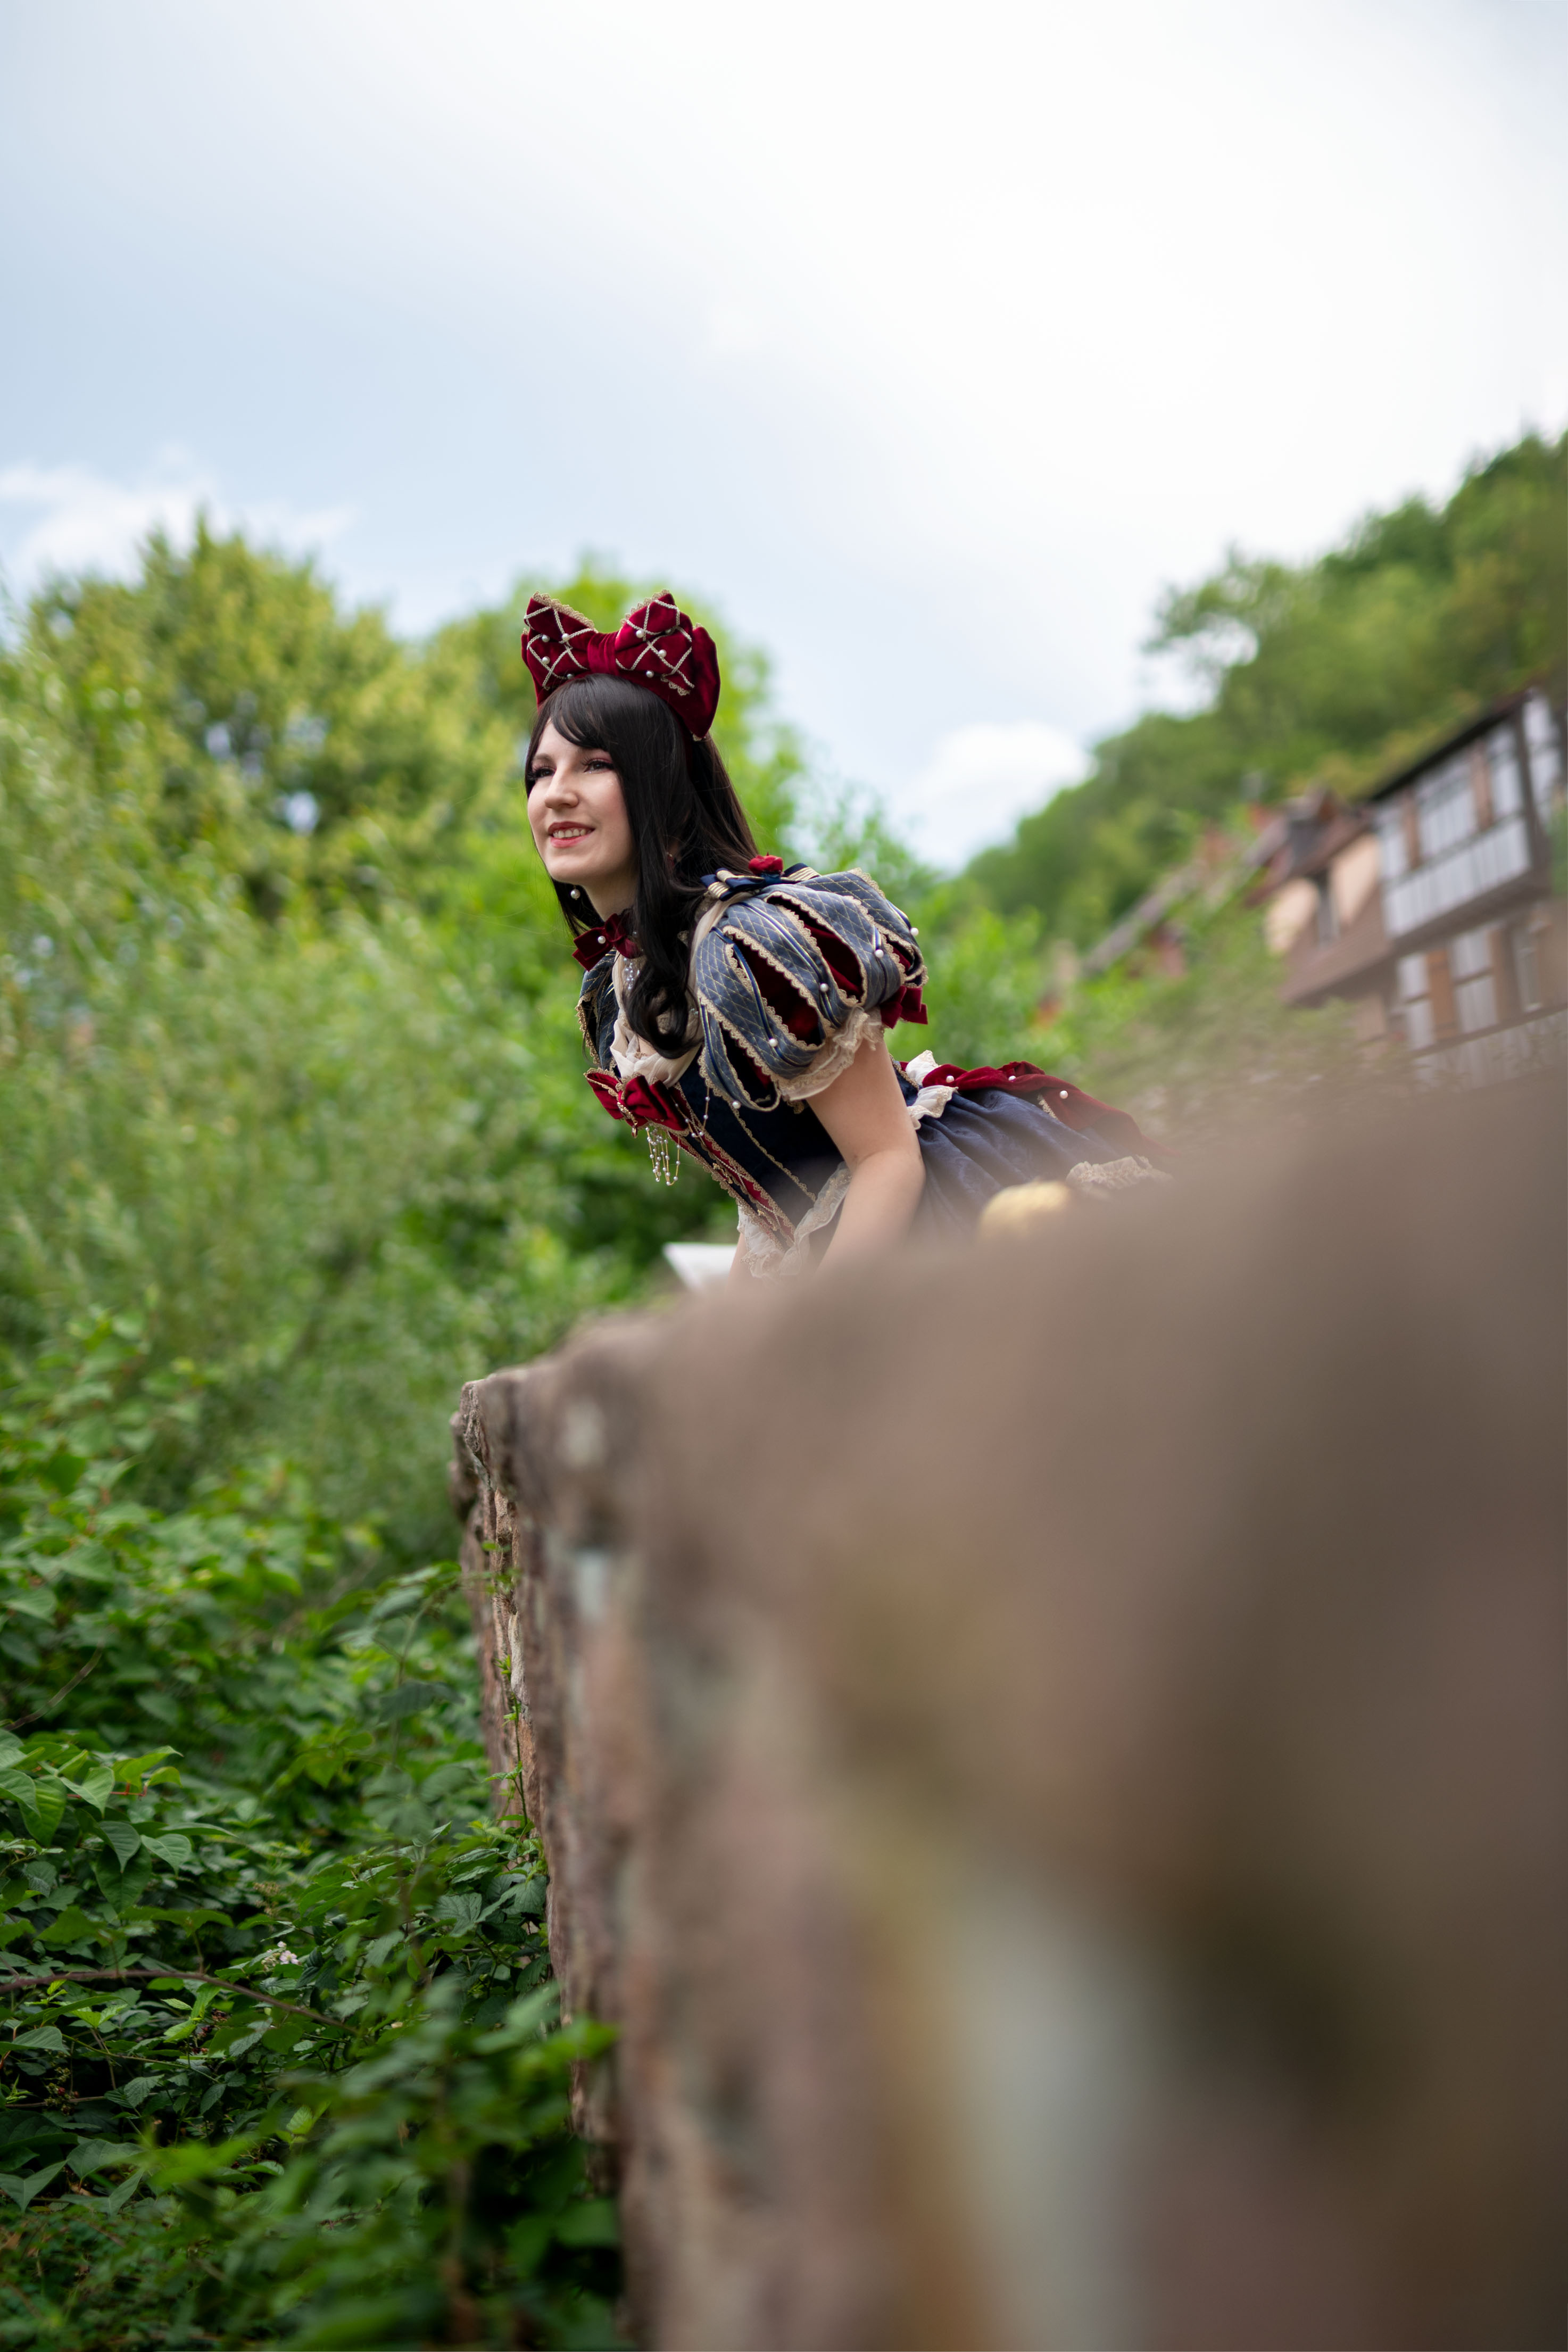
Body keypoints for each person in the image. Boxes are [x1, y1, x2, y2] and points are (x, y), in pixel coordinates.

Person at [521, 591, 1165, 1281]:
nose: (556, 792)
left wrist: (818, 1327)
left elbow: (886, 1160)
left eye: (595, 764)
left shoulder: (752, 944)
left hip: (943, 1218)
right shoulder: (622, 988)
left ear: (666, 791)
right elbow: (770, 1199)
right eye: (541, 772)